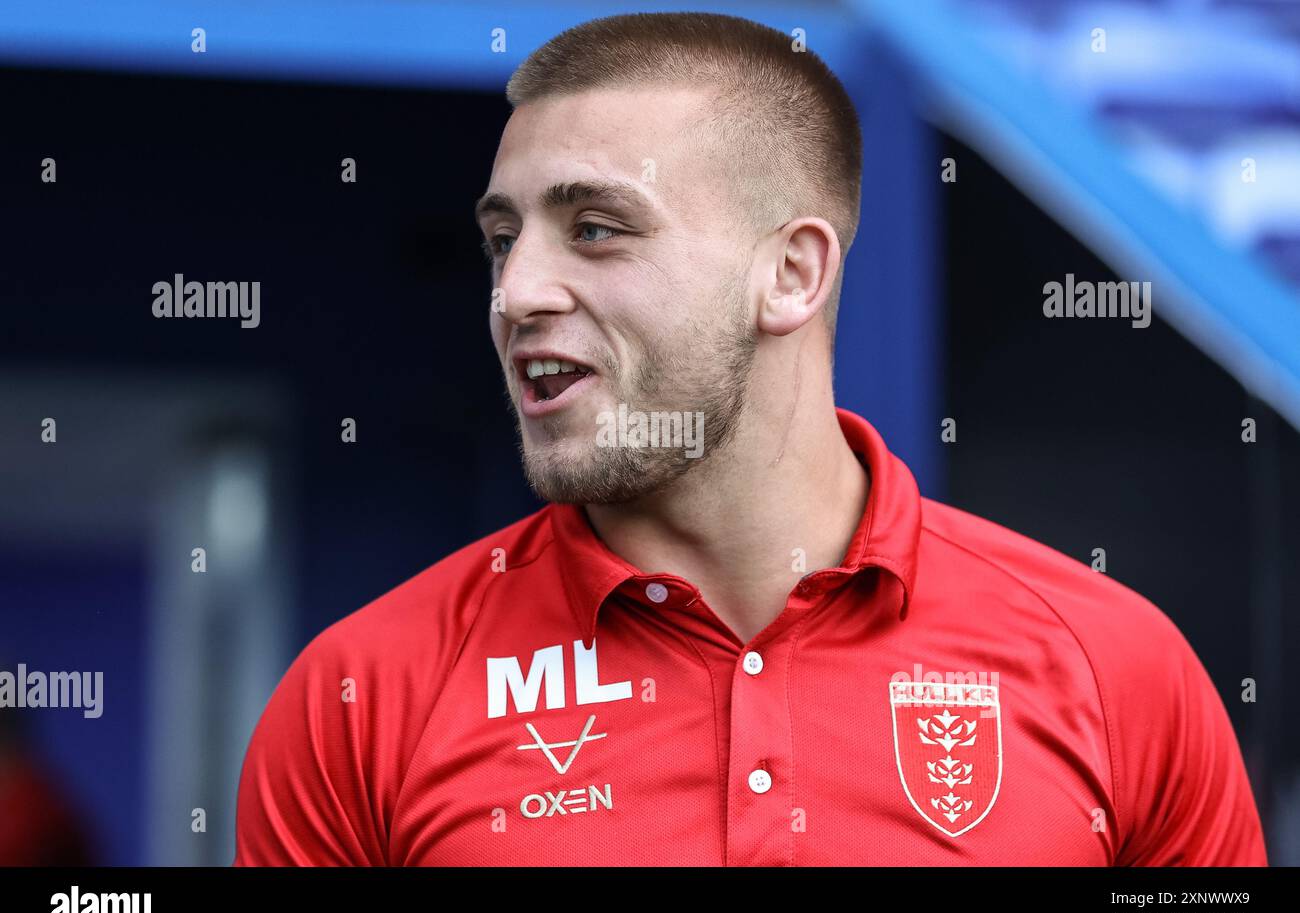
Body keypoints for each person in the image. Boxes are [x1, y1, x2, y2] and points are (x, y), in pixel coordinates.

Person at [234, 12, 1266, 866]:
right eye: (503, 239)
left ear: (791, 274)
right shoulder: (359, 698)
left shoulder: (1117, 668)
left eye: (594, 226)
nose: (516, 291)